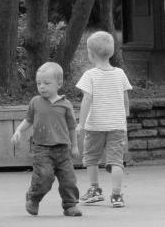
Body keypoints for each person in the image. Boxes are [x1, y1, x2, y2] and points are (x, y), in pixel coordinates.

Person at [10, 62, 81, 217]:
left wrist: (74, 146)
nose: (42, 86)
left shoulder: (66, 105)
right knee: (44, 177)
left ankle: (70, 205)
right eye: (38, 83)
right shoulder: (35, 102)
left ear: (59, 84)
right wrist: (18, 131)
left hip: (63, 149)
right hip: (42, 149)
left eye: (47, 83)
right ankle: (33, 198)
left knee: (69, 180)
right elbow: (28, 120)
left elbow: (71, 128)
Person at [75, 31, 132, 208]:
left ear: (90, 54)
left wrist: (81, 123)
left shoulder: (90, 75)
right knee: (116, 160)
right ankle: (116, 195)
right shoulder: (120, 74)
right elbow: (125, 99)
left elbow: (87, 100)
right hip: (116, 125)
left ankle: (94, 190)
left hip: (95, 126)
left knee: (91, 158)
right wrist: (125, 116)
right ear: (112, 52)